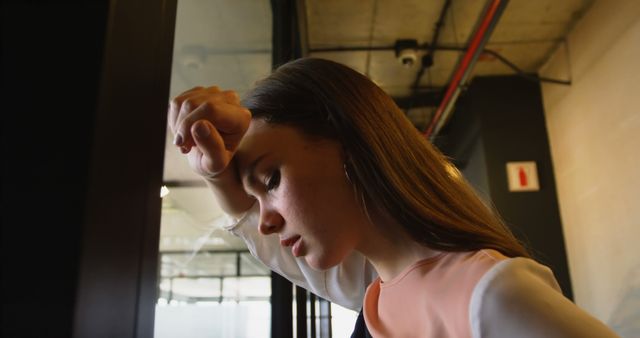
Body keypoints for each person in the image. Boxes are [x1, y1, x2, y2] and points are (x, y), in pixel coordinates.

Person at [167, 57, 619, 338]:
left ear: (345, 141)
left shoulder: (493, 294)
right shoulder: (376, 289)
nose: (264, 221)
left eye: (271, 181)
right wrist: (218, 174)